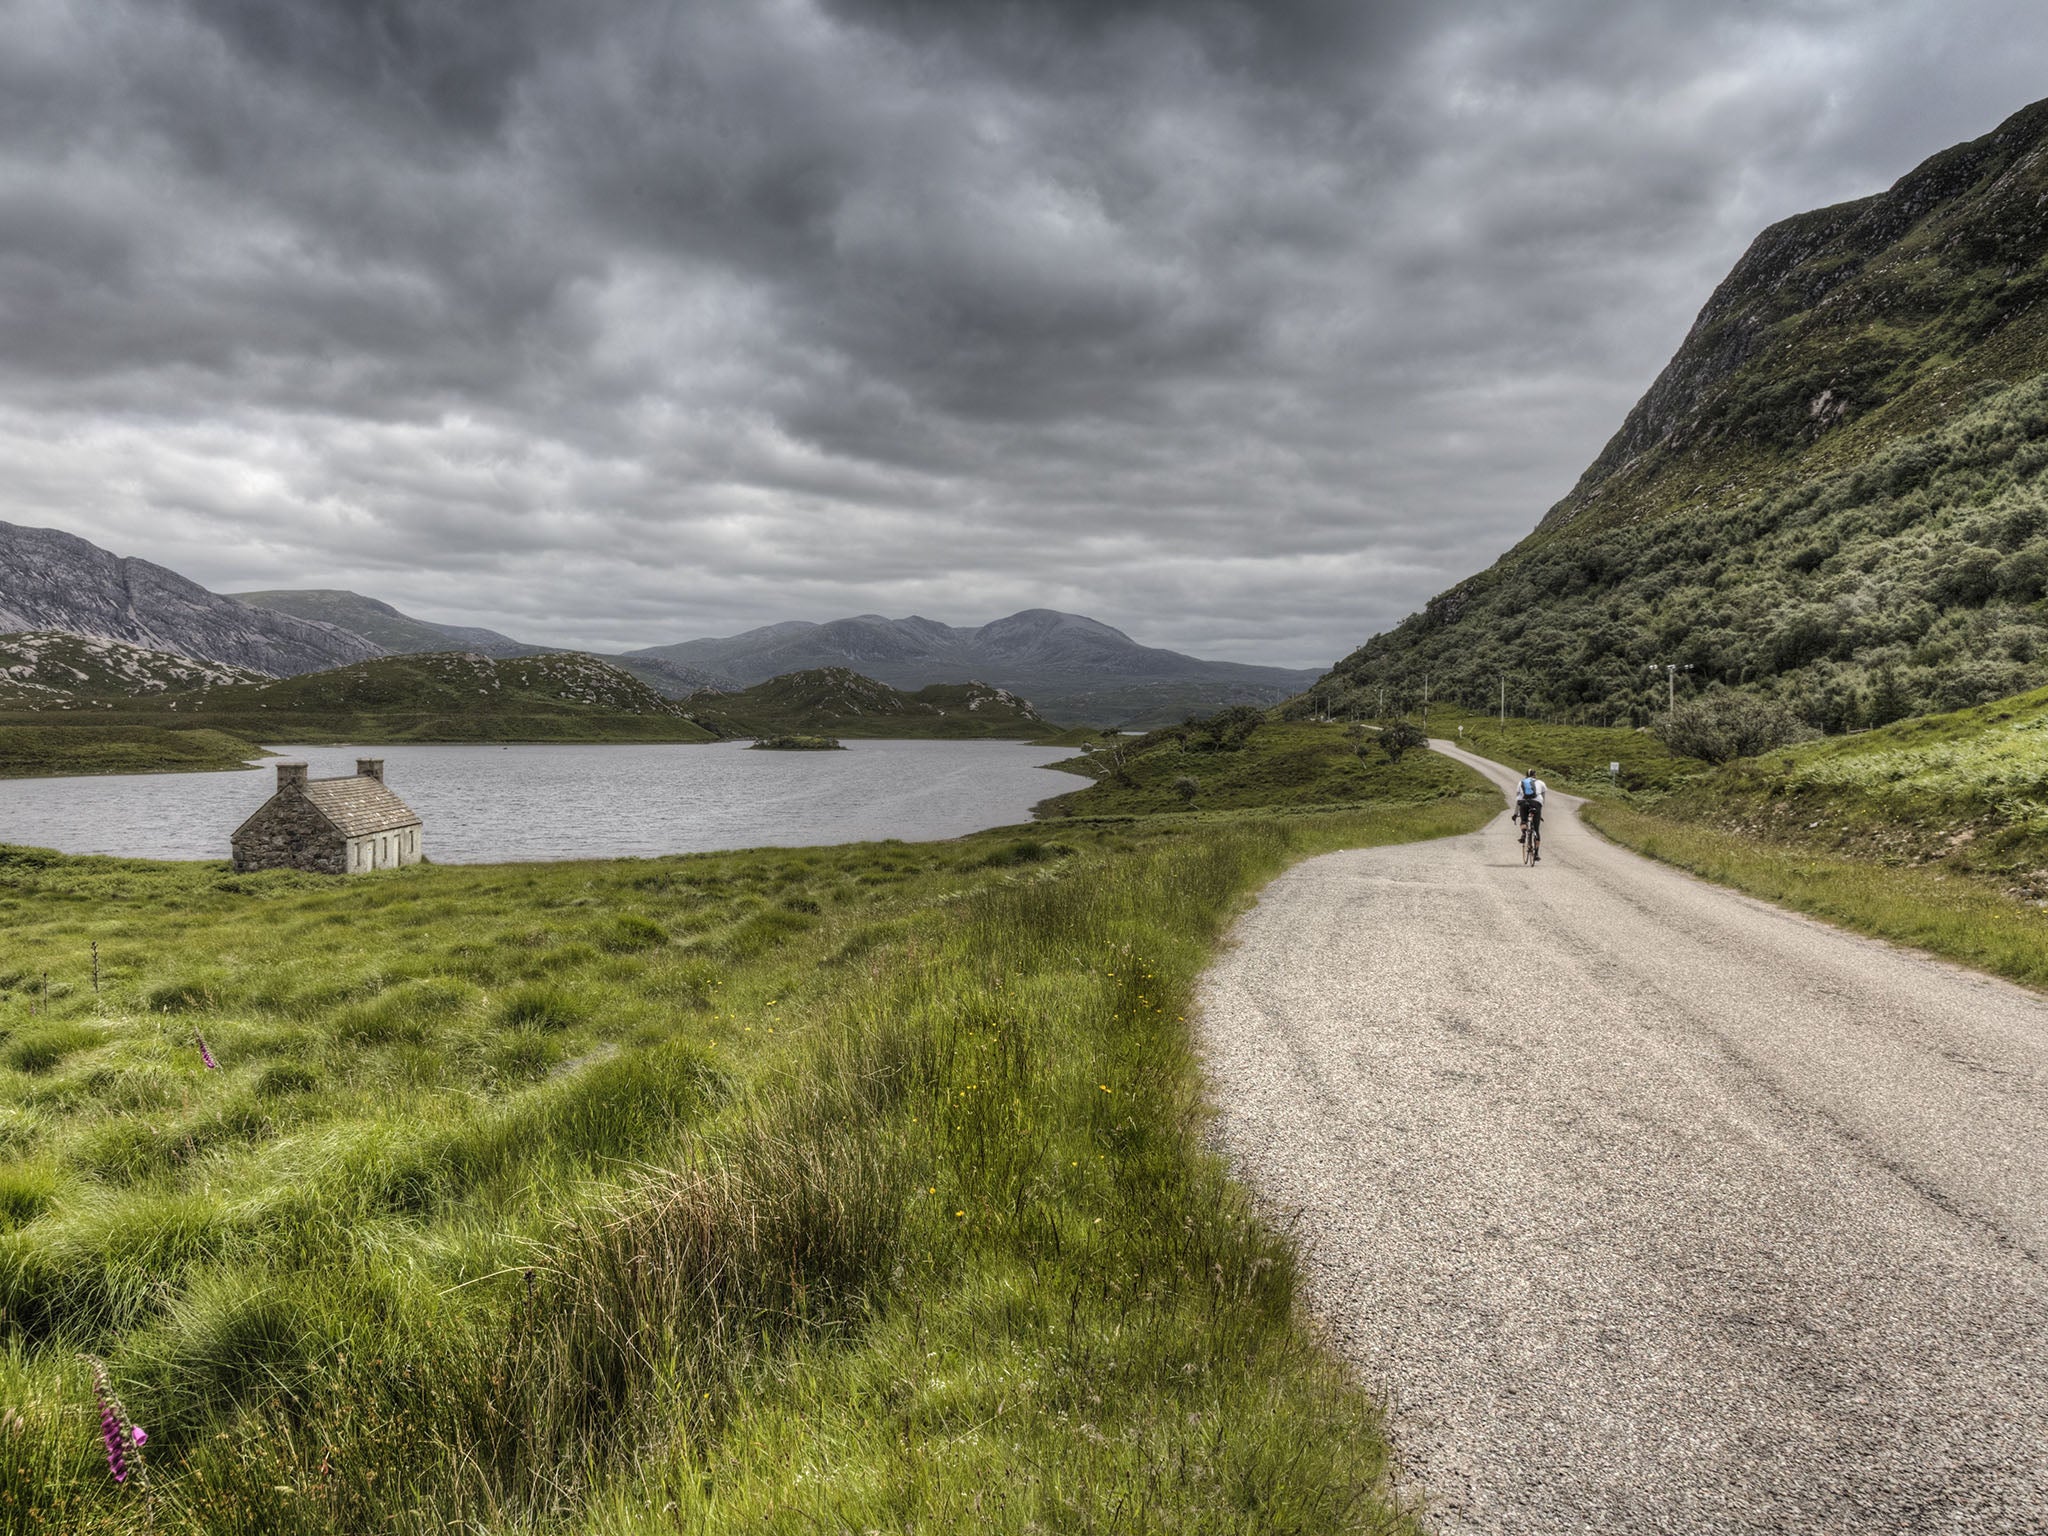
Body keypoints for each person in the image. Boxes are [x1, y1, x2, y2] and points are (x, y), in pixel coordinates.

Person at [1514, 770, 1547, 860]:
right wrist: (1539, 813)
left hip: (1524, 803)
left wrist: (1515, 813)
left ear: (1526, 775)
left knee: (1523, 820)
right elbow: (1543, 800)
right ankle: (1536, 854)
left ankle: (1523, 834)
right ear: (1535, 775)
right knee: (1536, 829)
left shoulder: (1521, 782)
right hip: (1536, 804)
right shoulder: (1541, 783)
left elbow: (1518, 799)